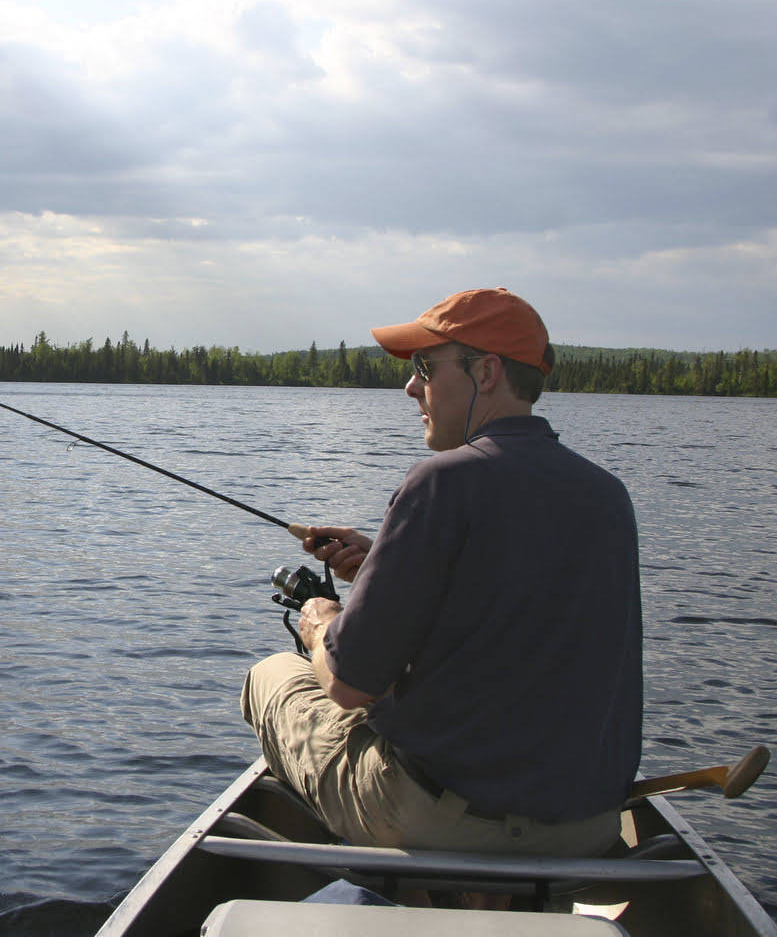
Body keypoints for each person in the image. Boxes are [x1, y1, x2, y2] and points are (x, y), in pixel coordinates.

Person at [241, 287, 642, 858]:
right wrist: (386, 560)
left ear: (488, 372)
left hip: (444, 822)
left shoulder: (441, 482)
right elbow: (512, 599)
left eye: (426, 367)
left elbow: (350, 685)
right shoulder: (608, 495)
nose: (411, 386)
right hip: (587, 827)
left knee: (275, 674)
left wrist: (321, 622)